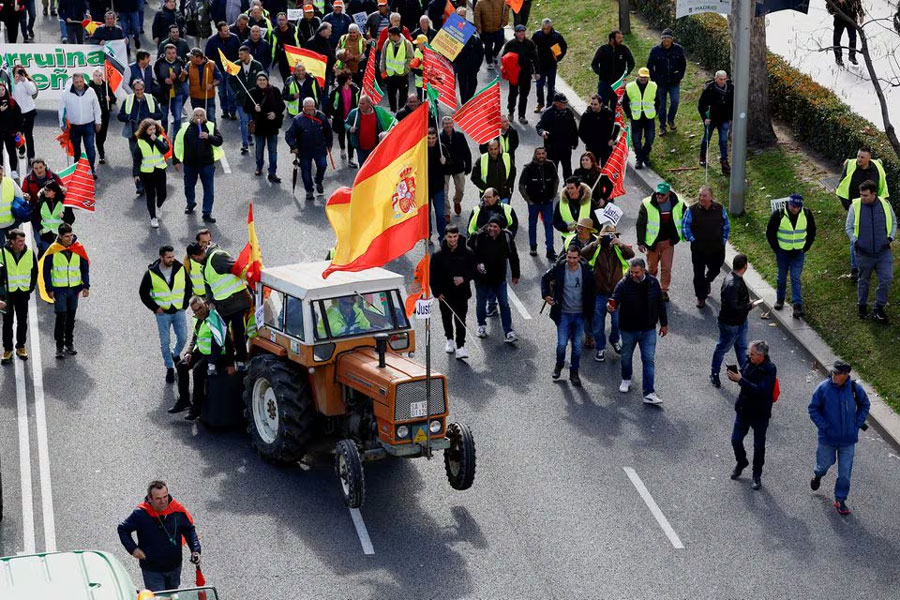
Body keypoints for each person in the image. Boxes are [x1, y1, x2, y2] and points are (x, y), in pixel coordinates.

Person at [808, 360, 870, 515]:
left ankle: (840, 499)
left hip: (848, 440)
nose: (833, 375)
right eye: (833, 372)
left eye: (837, 373)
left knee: (844, 474)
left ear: (846, 375)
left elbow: (865, 404)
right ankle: (818, 475)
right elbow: (813, 408)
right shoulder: (823, 388)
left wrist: (857, 424)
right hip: (827, 439)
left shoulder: (855, 388)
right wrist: (824, 426)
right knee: (823, 465)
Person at [117, 480, 202, 592]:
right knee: (159, 597)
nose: (163, 501)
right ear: (150, 498)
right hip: (152, 569)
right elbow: (122, 529)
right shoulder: (141, 514)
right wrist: (133, 549)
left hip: (174, 566)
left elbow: (189, 530)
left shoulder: (177, 510)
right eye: (158, 498)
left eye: (165, 496)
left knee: (172, 595)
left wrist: (195, 550)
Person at [610, 257, 667, 404]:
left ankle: (649, 392)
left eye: (636, 272)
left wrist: (664, 324)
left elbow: (660, 304)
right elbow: (614, 300)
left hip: (648, 329)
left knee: (648, 360)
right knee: (626, 356)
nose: (633, 275)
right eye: (631, 272)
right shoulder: (623, 284)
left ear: (643, 270)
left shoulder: (653, 282)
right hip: (628, 329)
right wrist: (610, 307)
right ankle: (626, 379)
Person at [189, 242, 252, 368]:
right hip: (224, 304)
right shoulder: (205, 265)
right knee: (220, 331)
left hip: (236, 301)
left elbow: (237, 268)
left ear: (195, 257)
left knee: (235, 331)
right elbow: (208, 285)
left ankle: (238, 360)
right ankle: (228, 361)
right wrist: (211, 301)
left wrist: (252, 277)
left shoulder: (216, 257)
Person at [726, 339, 777, 491]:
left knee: (759, 446)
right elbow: (744, 376)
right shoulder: (749, 362)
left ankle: (756, 475)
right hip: (743, 409)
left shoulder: (769, 369)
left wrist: (741, 380)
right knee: (736, 440)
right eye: (750, 353)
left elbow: (761, 391)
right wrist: (736, 376)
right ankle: (741, 462)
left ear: (761, 356)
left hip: (760, 414)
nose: (749, 356)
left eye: (753, 354)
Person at [541, 243, 594, 386]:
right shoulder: (558, 268)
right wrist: (545, 295)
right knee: (562, 344)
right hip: (563, 313)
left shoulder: (587, 271)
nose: (571, 261)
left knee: (577, 346)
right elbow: (544, 279)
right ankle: (559, 364)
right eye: (569, 257)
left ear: (579, 257)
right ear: (566, 256)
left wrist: (591, 309)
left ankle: (574, 372)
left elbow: (593, 290)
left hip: (579, 314)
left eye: (574, 258)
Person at [836, 146, 889, 280]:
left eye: (862, 157)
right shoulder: (851, 165)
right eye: (858, 156)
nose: (859, 159)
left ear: (869, 158)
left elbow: (883, 188)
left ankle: (871, 265)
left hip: (874, 209)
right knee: (855, 238)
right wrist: (849, 207)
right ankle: (855, 269)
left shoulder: (877, 167)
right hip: (855, 208)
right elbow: (841, 187)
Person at [846, 180, 895, 323]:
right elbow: (848, 227)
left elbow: (893, 222)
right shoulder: (855, 206)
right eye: (861, 195)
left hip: (883, 252)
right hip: (863, 253)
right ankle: (862, 305)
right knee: (863, 280)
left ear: (874, 194)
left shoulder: (885, 205)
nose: (862, 198)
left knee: (886, 279)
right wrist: (855, 241)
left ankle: (878, 308)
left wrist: (890, 238)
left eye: (865, 195)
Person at [581, 223, 632, 361]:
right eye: (605, 236)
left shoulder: (618, 248)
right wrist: (596, 243)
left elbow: (631, 254)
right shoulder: (596, 248)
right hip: (598, 293)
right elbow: (582, 255)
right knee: (598, 324)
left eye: (611, 236)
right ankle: (600, 348)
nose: (608, 239)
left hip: (615, 294)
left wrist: (619, 244)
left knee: (617, 322)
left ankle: (614, 339)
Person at [139, 245, 190, 383]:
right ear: (161, 257)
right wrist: (155, 308)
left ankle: (176, 354)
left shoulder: (180, 268)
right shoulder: (151, 273)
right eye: (168, 257)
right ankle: (169, 367)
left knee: (183, 337)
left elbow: (188, 287)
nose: (172, 259)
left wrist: (184, 305)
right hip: (162, 314)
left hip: (179, 311)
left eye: (173, 256)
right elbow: (143, 293)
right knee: (165, 341)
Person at [41, 223, 89, 359]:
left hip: (74, 290)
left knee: (71, 318)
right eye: (67, 236)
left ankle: (69, 344)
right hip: (60, 291)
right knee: (61, 318)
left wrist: (86, 286)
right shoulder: (53, 250)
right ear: (60, 236)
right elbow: (46, 271)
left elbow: (84, 268)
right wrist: (49, 289)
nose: (70, 238)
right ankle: (59, 346)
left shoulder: (78, 248)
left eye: (71, 235)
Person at [469, 215, 520, 343]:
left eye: (495, 226)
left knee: (504, 304)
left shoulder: (506, 238)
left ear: (501, 228)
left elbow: (513, 256)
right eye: (490, 225)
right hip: (482, 279)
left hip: (499, 279)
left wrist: (515, 274)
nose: (491, 229)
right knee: (481, 303)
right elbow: (469, 254)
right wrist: (476, 265)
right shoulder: (479, 236)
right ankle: (481, 325)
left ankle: (508, 331)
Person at [766, 193, 816, 317]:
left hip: (798, 252)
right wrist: (777, 249)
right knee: (781, 277)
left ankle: (797, 305)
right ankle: (780, 299)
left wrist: (805, 247)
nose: (795, 209)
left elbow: (812, 232)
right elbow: (770, 233)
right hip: (783, 252)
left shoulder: (807, 214)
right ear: (788, 204)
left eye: (798, 207)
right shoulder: (778, 214)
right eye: (793, 206)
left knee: (795, 277)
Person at [431, 225, 476, 360]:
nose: (452, 239)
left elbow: (474, 270)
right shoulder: (438, 255)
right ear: (445, 237)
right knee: (446, 318)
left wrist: (464, 278)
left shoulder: (467, 252)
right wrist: (436, 293)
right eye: (450, 237)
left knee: (461, 319)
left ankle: (461, 346)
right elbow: (433, 276)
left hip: (461, 293)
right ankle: (449, 338)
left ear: (458, 236)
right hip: (444, 294)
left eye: (455, 236)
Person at [682, 185, 730, 308]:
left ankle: (707, 281)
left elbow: (726, 225)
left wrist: (723, 240)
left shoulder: (719, 208)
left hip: (717, 248)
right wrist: (693, 240)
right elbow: (685, 226)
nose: (701, 198)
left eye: (704, 196)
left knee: (715, 269)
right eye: (700, 195)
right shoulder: (691, 210)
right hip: (699, 250)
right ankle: (701, 297)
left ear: (711, 197)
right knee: (698, 274)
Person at [173, 107, 224, 223]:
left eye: (201, 115)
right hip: (190, 164)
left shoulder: (210, 126)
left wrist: (209, 137)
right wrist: (176, 160)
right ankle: (190, 203)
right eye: (197, 115)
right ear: (193, 116)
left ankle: (207, 212)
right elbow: (178, 143)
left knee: (209, 189)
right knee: (189, 186)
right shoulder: (185, 127)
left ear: (205, 117)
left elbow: (219, 141)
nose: (199, 118)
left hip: (207, 164)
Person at [710, 253, 753, 388]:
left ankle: (746, 375)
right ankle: (714, 373)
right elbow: (734, 306)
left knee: (741, 348)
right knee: (722, 348)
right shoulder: (734, 283)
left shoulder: (733, 277)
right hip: (731, 324)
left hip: (739, 321)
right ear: (745, 266)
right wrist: (749, 306)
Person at [635, 181, 683, 302]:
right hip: (653, 244)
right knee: (652, 268)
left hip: (668, 243)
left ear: (668, 194)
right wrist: (640, 242)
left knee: (666, 268)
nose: (659, 196)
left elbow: (688, 217)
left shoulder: (677, 203)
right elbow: (640, 224)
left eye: (662, 194)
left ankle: (663, 291)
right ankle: (651, 287)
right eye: (657, 194)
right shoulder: (647, 203)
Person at [118, 79, 163, 196]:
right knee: (136, 160)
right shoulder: (128, 100)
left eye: (141, 90)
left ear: (144, 89)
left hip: (147, 136)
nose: (139, 92)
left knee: (148, 160)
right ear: (133, 90)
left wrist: (150, 118)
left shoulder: (151, 99)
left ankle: (151, 182)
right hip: (133, 135)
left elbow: (160, 114)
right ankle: (140, 185)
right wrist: (128, 118)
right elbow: (120, 116)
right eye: (136, 90)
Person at [1, 229, 37, 364]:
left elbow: (34, 272)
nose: (23, 243)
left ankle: (20, 346)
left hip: (22, 293)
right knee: (7, 323)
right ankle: (7, 350)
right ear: (12, 241)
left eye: (23, 240)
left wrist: (30, 288)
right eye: (19, 241)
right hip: (6, 295)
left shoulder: (29, 253)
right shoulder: (1, 254)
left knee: (22, 321)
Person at [286, 97, 333, 200]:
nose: (311, 108)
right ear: (304, 107)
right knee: (305, 171)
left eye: (312, 106)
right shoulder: (298, 119)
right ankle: (309, 190)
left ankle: (318, 180)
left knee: (323, 165)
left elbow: (328, 131)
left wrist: (329, 144)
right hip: (304, 150)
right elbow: (289, 134)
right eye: (308, 107)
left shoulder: (321, 116)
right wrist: (293, 146)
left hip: (319, 148)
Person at [57, 73, 101, 176]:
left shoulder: (91, 91)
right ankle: (77, 170)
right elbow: (61, 110)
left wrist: (98, 122)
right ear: (73, 82)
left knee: (90, 148)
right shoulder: (66, 93)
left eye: (81, 82)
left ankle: (91, 169)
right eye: (76, 82)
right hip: (74, 126)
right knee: (76, 150)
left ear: (83, 81)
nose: (79, 84)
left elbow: (96, 108)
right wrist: (62, 124)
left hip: (88, 125)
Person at [519, 146, 558, 258]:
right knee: (532, 224)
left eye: (543, 153)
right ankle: (533, 246)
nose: (541, 156)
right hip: (533, 203)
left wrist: (553, 196)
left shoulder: (551, 165)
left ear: (546, 154)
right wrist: (528, 200)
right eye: (538, 154)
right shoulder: (528, 168)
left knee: (549, 225)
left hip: (547, 202)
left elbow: (556, 180)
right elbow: (521, 185)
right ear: (535, 155)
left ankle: (550, 250)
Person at [245, 72, 285, 183]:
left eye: (264, 79)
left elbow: (282, 105)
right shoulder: (252, 92)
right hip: (259, 126)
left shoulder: (275, 91)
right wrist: (254, 108)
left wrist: (275, 113)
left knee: (273, 150)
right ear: (256, 81)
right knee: (259, 149)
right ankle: (259, 167)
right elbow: (246, 108)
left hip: (272, 126)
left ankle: (272, 172)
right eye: (260, 80)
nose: (262, 82)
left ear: (267, 81)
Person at [646, 28, 685, 136]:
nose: (666, 40)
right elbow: (649, 65)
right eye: (664, 38)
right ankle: (662, 126)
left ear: (672, 39)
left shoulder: (678, 49)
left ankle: (671, 120)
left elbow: (683, 64)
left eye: (668, 38)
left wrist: (679, 76)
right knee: (661, 105)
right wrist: (654, 78)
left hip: (674, 82)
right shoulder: (655, 50)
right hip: (661, 82)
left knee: (675, 101)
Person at [132, 119, 170, 228]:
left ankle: (158, 206)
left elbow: (165, 150)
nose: (152, 131)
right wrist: (136, 174)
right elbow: (136, 160)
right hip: (147, 173)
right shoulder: (140, 142)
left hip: (160, 171)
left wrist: (156, 140)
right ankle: (153, 217)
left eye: (154, 129)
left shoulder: (161, 138)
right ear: (145, 130)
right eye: (150, 130)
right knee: (150, 195)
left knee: (162, 193)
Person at [697, 70, 734, 175]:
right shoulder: (709, 89)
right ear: (716, 79)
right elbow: (701, 105)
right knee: (707, 138)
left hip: (724, 118)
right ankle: (703, 155)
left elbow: (733, 103)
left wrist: (731, 117)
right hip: (711, 118)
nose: (722, 81)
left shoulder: (730, 88)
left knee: (723, 140)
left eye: (724, 79)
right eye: (720, 79)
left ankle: (724, 162)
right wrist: (705, 117)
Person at [501, 24, 539, 124]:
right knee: (513, 94)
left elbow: (535, 58)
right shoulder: (510, 44)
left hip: (526, 73)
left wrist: (537, 72)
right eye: (520, 31)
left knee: (524, 95)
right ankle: (511, 112)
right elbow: (504, 57)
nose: (522, 33)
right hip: (514, 74)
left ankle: (522, 115)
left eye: (523, 31)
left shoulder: (530, 43)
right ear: (516, 33)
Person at [622, 67, 658, 170]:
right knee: (636, 141)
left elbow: (658, 101)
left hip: (649, 118)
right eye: (641, 77)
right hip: (636, 118)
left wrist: (656, 112)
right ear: (638, 76)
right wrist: (629, 115)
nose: (643, 79)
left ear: (648, 77)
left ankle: (645, 155)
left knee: (650, 138)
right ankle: (639, 159)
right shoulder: (630, 87)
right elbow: (625, 103)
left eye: (645, 77)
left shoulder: (653, 86)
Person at [536, 92, 578, 179]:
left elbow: (573, 128)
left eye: (566, 102)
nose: (565, 104)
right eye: (563, 103)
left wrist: (575, 142)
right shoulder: (548, 113)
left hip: (566, 147)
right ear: (556, 103)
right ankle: (552, 188)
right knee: (552, 169)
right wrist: (543, 132)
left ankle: (568, 187)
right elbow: (539, 126)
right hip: (552, 147)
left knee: (567, 169)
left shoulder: (568, 112)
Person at [230, 46, 263, 155]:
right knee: (243, 121)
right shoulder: (235, 65)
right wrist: (237, 91)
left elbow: (262, 80)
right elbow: (231, 81)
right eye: (239, 54)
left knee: (251, 120)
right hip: (241, 99)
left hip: (254, 99)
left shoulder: (257, 65)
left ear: (248, 54)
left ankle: (249, 136)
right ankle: (244, 144)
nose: (239, 57)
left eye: (242, 54)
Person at [205, 21, 241, 119]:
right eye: (225, 31)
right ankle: (225, 110)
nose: (228, 32)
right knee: (221, 92)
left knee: (232, 92)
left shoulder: (234, 38)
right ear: (219, 31)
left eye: (228, 30)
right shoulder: (212, 41)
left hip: (231, 70)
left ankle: (233, 111)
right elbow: (208, 57)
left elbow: (239, 53)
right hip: (218, 71)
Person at [345, 94, 394, 166]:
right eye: (359, 103)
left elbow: (391, 121)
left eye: (362, 103)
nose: (360, 105)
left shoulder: (378, 111)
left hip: (374, 148)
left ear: (369, 104)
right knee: (362, 166)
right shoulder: (354, 113)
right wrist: (350, 128)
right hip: (360, 148)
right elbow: (346, 123)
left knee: (373, 166)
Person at [553, 176, 599, 251]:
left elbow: (598, 224)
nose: (569, 191)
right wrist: (566, 228)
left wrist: (586, 229)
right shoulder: (560, 203)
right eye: (567, 188)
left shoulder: (591, 203)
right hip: (568, 240)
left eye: (572, 188)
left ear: (578, 188)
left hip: (586, 240)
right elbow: (555, 221)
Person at [531, 18, 566, 113]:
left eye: (548, 28)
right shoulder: (537, 34)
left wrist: (558, 58)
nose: (546, 30)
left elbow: (564, 46)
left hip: (551, 65)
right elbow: (531, 47)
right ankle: (540, 103)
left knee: (551, 86)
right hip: (540, 65)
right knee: (539, 85)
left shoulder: (557, 35)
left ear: (550, 27)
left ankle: (549, 105)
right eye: (544, 28)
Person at [591, 29, 634, 106]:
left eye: (621, 38)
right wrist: (600, 73)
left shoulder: (624, 49)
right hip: (604, 83)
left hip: (618, 83)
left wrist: (626, 73)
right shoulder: (603, 49)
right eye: (619, 38)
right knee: (603, 106)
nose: (621, 40)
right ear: (612, 39)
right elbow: (594, 64)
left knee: (616, 107)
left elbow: (631, 63)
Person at [30, 180, 74, 256]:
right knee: (45, 255)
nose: (46, 192)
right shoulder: (41, 201)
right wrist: (40, 229)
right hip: (45, 234)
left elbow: (71, 219)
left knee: (58, 257)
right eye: (45, 190)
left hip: (59, 236)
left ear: (54, 191)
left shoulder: (64, 202)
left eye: (48, 190)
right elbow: (34, 216)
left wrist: (64, 216)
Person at [154, 43, 189, 140]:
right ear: (165, 53)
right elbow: (156, 78)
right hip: (164, 94)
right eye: (169, 53)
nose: (171, 55)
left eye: (173, 53)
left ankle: (176, 137)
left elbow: (184, 79)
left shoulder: (180, 62)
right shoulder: (159, 63)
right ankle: (164, 137)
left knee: (178, 117)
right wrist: (164, 80)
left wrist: (178, 78)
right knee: (164, 117)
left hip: (177, 92)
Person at [326, 71, 359, 166]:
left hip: (351, 118)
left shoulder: (355, 89)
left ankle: (351, 158)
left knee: (351, 138)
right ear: (344, 80)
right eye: (349, 78)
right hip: (340, 118)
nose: (351, 80)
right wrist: (332, 115)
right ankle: (342, 149)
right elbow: (330, 104)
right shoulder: (336, 91)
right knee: (341, 135)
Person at [441, 116, 472, 216]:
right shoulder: (439, 137)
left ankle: (457, 201)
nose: (448, 126)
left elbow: (467, 152)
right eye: (446, 124)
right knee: (444, 193)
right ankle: (447, 212)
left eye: (450, 123)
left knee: (460, 189)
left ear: (453, 124)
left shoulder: (460, 136)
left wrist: (468, 166)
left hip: (458, 168)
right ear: (442, 125)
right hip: (444, 169)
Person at [379, 26, 414, 112]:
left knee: (403, 96)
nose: (389, 37)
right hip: (391, 75)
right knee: (391, 95)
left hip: (402, 75)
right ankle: (393, 111)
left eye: (390, 35)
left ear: (395, 35)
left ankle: (401, 112)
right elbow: (383, 56)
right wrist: (382, 69)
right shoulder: (387, 42)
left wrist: (406, 70)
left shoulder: (407, 44)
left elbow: (410, 58)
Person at [471, 139, 516, 204]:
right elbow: (474, 177)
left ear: (499, 148)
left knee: (502, 214)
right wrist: (486, 188)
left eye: (495, 149)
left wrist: (508, 186)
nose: (493, 152)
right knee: (487, 214)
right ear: (488, 149)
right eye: (491, 149)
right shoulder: (482, 159)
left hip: (503, 195)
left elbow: (513, 173)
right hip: (487, 197)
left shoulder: (507, 157)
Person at [578, 94, 618, 167]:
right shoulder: (586, 115)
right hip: (592, 147)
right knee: (593, 169)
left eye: (595, 104)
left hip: (605, 145)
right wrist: (587, 142)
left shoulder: (608, 113)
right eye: (592, 104)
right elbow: (581, 131)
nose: (593, 106)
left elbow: (617, 125)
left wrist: (613, 139)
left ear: (601, 104)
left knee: (606, 169)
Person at [186, 48, 222, 124]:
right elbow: (182, 79)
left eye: (192, 57)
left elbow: (220, 78)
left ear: (198, 58)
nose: (190, 58)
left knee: (211, 118)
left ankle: (212, 134)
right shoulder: (189, 65)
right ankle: (199, 134)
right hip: (195, 97)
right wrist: (182, 75)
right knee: (197, 120)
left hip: (208, 97)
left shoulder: (211, 64)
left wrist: (212, 85)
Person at [11, 66, 37, 165]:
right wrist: (15, 83)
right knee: (18, 134)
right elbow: (11, 97)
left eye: (20, 72)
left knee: (29, 135)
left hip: (29, 112)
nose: (18, 75)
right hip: (17, 114)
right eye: (16, 73)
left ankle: (31, 156)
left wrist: (24, 80)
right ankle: (21, 149)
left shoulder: (28, 82)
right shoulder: (13, 84)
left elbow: (32, 91)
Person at [426, 126, 449, 240]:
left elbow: (449, 166)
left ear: (436, 138)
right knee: (427, 214)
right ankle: (427, 235)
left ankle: (442, 236)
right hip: (425, 188)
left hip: (438, 187)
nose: (431, 141)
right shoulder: (421, 149)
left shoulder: (441, 148)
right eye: (429, 138)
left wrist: (445, 162)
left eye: (433, 138)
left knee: (440, 214)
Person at [87, 69, 114, 164]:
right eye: (96, 76)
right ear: (93, 77)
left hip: (105, 114)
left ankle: (100, 146)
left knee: (103, 135)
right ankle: (101, 154)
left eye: (100, 76)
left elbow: (114, 98)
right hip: (94, 115)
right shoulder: (90, 87)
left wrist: (110, 99)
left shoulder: (105, 86)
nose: (98, 78)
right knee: (98, 134)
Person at [453, 25, 483, 103]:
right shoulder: (458, 41)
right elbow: (454, 55)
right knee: (463, 88)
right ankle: (464, 104)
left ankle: (469, 101)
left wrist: (477, 67)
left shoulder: (477, 41)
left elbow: (481, 55)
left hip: (472, 69)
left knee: (472, 86)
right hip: (462, 69)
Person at [473, 0, 508, 68]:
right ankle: (489, 62)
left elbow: (506, 11)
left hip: (498, 28)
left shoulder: (502, 1)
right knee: (488, 46)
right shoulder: (480, 2)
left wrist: (504, 22)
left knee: (500, 43)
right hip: (486, 30)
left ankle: (494, 54)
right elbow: (476, 16)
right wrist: (479, 28)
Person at [828, 0, 863, 66]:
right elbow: (830, 9)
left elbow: (858, 3)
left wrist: (861, 14)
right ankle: (838, 58)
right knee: (837, 39)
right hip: (839, 19)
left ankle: (852, 56)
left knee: (853, 37)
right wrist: (838, 3)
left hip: (851, 19)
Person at [0, 81, 22, 178]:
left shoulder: (12, 102)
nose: (1, 92)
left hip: (10, 132)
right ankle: (1, 170)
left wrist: (18, 129)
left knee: (12, 151)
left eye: (3, 89)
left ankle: (13, 170)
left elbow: (19, 116)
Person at [271, 11, 300, 81]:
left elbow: (301, 42)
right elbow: (272, 47)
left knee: (296, 79)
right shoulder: (274, 32)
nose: (281, 22)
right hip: (282, 60)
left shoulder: (294, 29)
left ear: (287, 20)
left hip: (294, 59)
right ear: (277, 21)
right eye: (279, 20)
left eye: (283, 20)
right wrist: (273, 60)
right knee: (286, 80)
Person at [0, 165, 25, 240]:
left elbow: (20, 198)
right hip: (11, 223)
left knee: (14, 247)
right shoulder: (9, 182)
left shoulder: (10, 182)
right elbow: (20, 198)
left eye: (0, 174)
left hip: (11, 223)